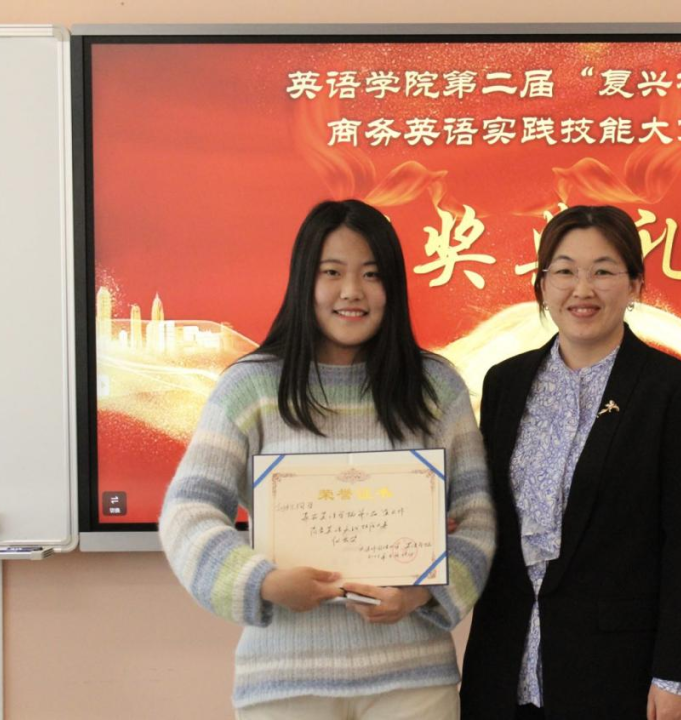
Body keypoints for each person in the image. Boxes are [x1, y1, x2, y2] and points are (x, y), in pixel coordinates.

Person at [159, 199, 495, 720]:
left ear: (392, 287)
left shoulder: (435, 388)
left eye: (371, 274)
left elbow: (477, 519)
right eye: (332, 272)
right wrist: (266, 582)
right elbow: (188, 511)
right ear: (304, 282)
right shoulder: (251, 387)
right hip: (285, 684)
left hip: (413, 680)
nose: (352, 291)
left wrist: (420, 594)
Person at [460, 205, 681, 720]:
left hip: (616, 671)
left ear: (635, 285)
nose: (582, 289)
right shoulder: (505, 383)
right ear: (542, 285)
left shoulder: (674, 391)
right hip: (503, 661)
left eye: (603, 271)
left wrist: (679, 678)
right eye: (564, 271)